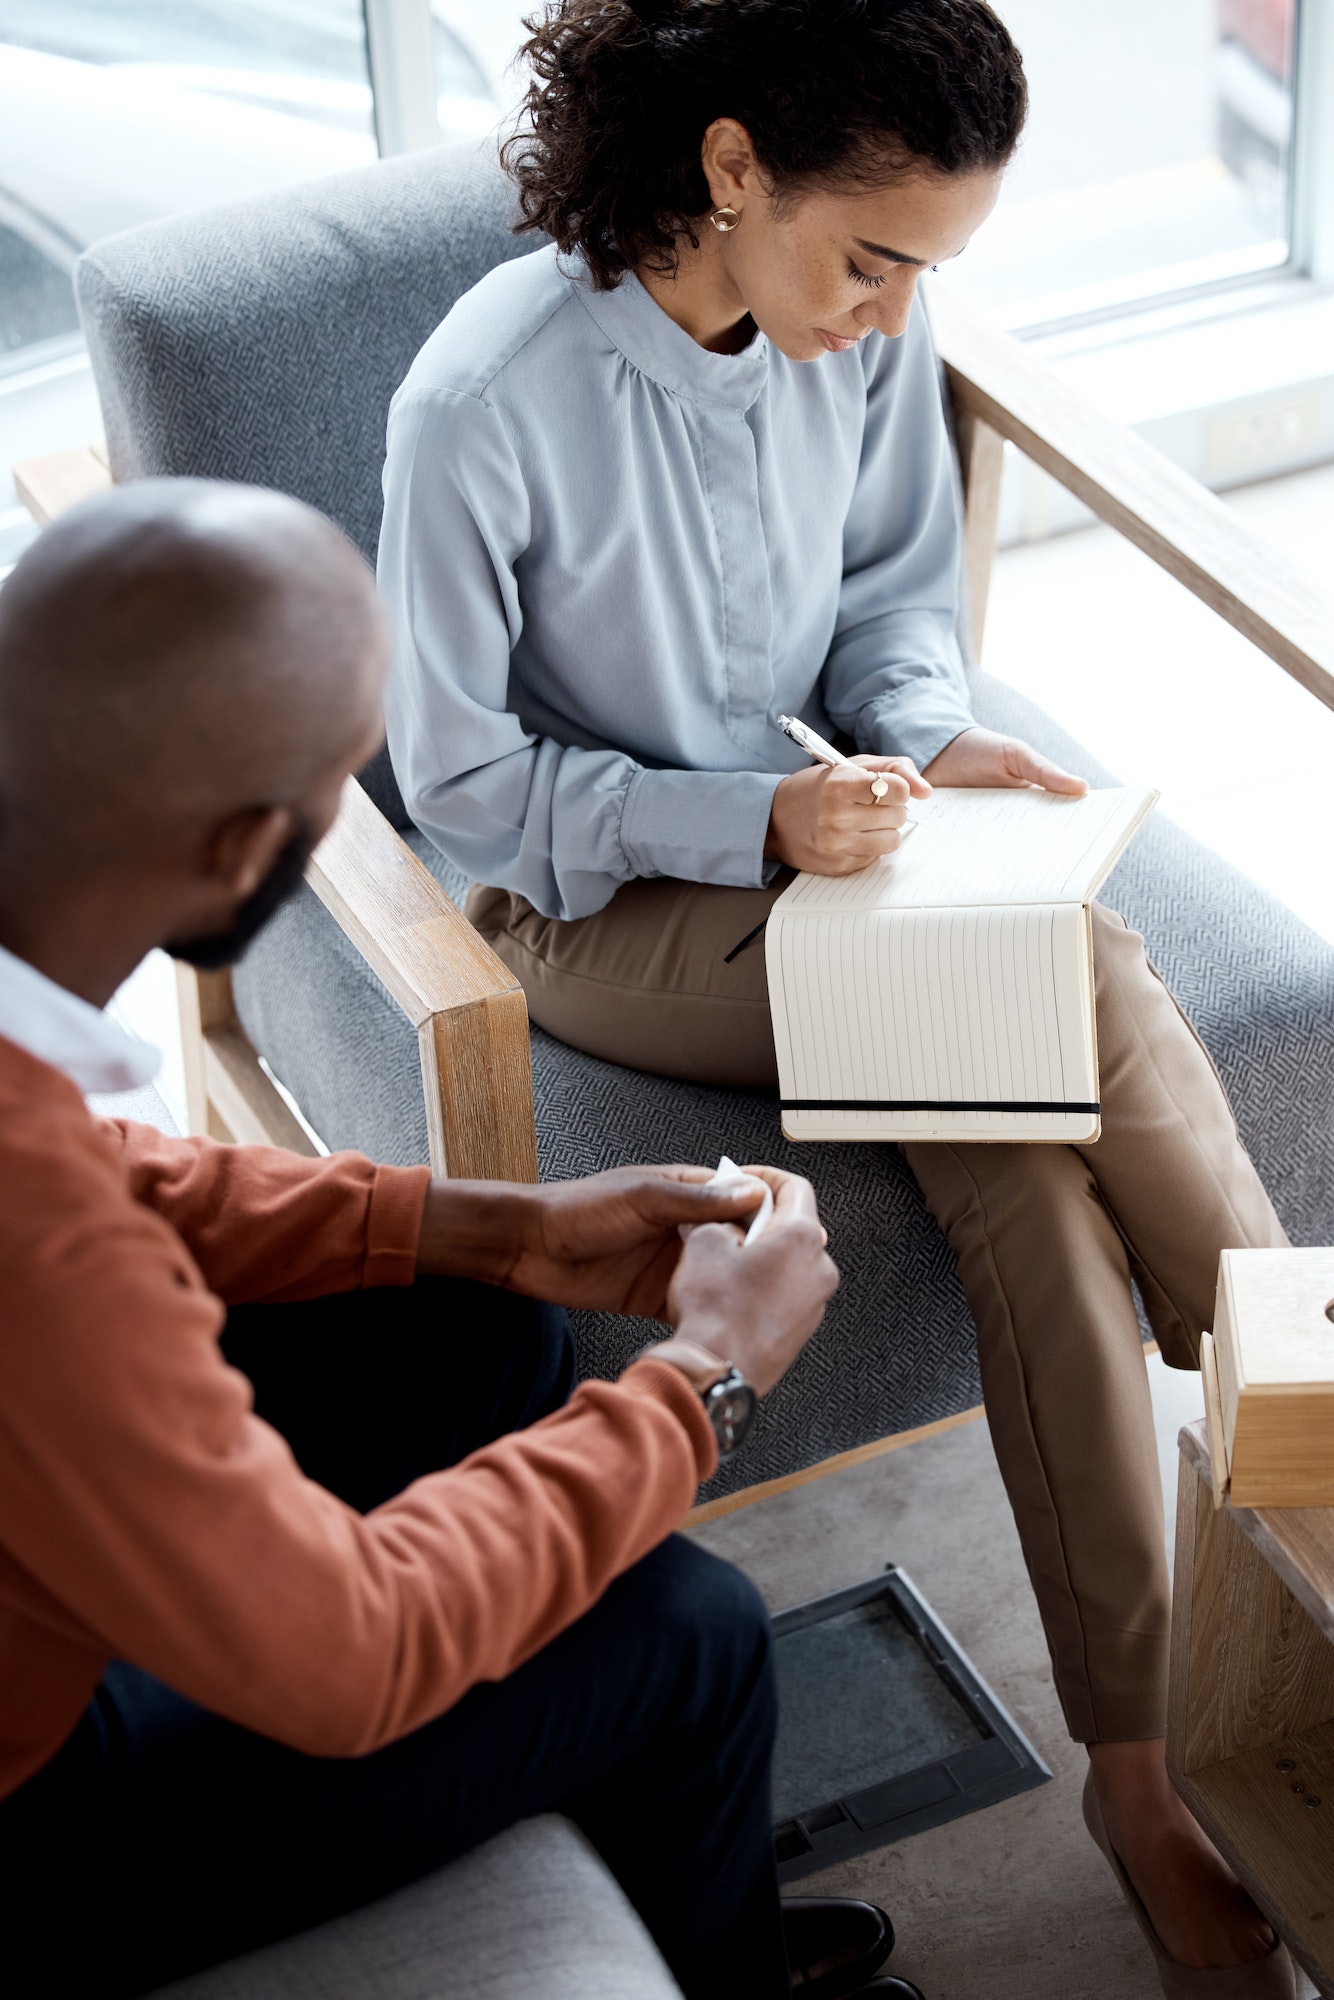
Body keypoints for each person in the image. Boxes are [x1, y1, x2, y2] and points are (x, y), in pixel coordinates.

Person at [377, 2, 1295, 1992]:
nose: (892, 314)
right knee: (1067, 960)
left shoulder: (872, 333)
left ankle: (1133, 1782)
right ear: (725, 170)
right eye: (870, 256)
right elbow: (452, 786)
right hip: (579, 896)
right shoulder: (485, 399)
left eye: (929, 270)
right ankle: (1305, 1425)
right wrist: (758, 817)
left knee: (1026, 1182)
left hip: (825, 831)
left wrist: (917, 734)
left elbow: (889, 598)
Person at [0, 479, 922, 2000]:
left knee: (474, 1326)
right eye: (336, 789)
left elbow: (107, 1174)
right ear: (246, 851)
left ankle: (623, 1834)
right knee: (687, 1635)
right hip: (33, 1831)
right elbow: (344, 1654)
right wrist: (704, 1382)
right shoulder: (43, 1261)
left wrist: (483, 1225)